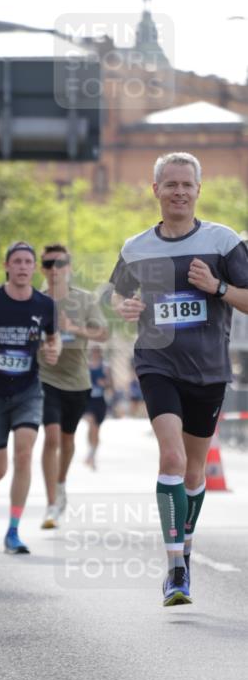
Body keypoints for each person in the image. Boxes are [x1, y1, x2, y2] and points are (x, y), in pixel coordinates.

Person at [109, 152, 248, 607]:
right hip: (157, 362)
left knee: (193, 470)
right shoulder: (135, 247)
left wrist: (219, 288)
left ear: (198, 190)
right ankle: (175, 569)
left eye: (187, 184)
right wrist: (124, 306)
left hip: (208, 371)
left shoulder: (223, 242)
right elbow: (117, 296)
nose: (179, 192)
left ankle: (184, 546)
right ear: (156, 190)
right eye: (170, 184)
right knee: (170, 457)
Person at [0, 241, 60, 553]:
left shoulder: (44, 305)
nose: (22, 267)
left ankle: (13, 530)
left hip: (27, 391)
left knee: (23, 452)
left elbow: (53, 338)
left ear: (34, 268)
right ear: (7, 266)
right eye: (17, 262)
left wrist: (53, 350)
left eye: (27, 262)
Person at [38, 244, 109, 528]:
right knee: (52, 438)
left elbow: (103, 333)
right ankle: (51, 502)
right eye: (49, 263)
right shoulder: (36, 299)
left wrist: (73, 328)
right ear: (43, 268)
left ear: (69, 267)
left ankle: (61, 483)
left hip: (77, 381)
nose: (55, 269)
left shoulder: (85, 299)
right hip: (45, 377)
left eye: (61, 263)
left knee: (67, 441)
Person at [84, 346, 112, 470]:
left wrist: (105, 383)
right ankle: (91, 454)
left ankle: (92, 455)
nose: (95, 354)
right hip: (88, 400)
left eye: (97, 352)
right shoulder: (86, 366)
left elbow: (111, 385)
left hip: (100, 401)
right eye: (93, 352)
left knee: (96, 429)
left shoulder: (105, 367)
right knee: (91, 424)